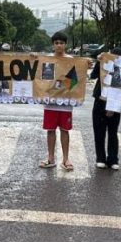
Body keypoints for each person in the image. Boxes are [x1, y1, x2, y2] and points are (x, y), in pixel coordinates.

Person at [39, 32, 75, 171]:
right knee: (50, 130)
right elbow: (40, 78)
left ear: (66, 44)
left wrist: (87, 64)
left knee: (65, 130)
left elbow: (75, 80)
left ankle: (66, 159)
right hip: (50, 103)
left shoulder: (71, 60)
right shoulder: (46, 60)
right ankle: (51, 158)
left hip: (65, 104)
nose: (59, 45)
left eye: (61, 43)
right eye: (56, 43)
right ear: (53, 45)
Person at [91, 48, 121, 171]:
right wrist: (99, 62)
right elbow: (93, 75)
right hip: (100, 100)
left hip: (116, 103)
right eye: (113, 56)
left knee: (113, 132)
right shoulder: (104, 64)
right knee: (99, 131)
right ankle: (100, 158)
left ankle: (113, 159)